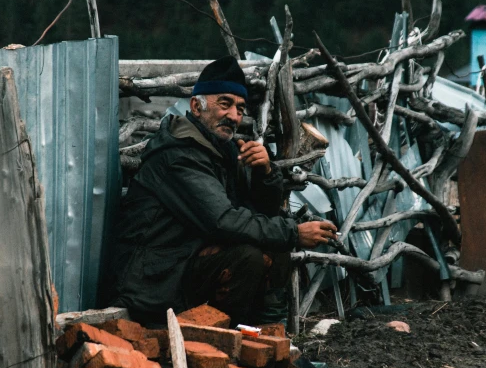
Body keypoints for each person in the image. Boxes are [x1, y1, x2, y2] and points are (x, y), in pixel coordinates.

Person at [112, 56, 337, 326]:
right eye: (225, 104)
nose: (233, 116)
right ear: (196, 106)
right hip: (153, 279)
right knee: (248, 257)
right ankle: (220, 341)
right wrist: (294, 233)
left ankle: (265, 336)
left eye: (240, 108)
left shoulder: (223, 150)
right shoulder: (179, 155)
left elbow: (259, 213)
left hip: (183, 262)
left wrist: (265, 174)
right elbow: (224, 221)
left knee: (274, 246)